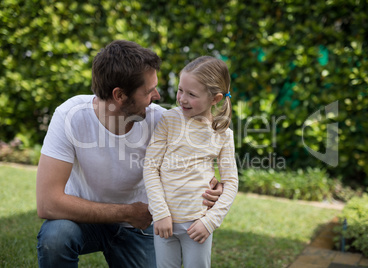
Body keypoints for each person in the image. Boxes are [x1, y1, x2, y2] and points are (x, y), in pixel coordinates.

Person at [35, 40, 223, 268]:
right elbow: (48, 204)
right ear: (120, 95)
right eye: (148, 91)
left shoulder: (162, 122)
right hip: (85, 220)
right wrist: (127, 212)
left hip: (139, 228)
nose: (157, 95)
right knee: (56, 237)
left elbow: (200, 156)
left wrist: (215, 186)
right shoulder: (70, 116)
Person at [143, 56, 238, 268]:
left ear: (215, 98)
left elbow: (231, 183)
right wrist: (160, 213)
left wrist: (209, 222)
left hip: (197, 224)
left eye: (191, 94)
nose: (182, 99)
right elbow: (150, 168)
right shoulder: (168, 120)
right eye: (180, 90)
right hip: (164, 221)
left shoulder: (223, 134)